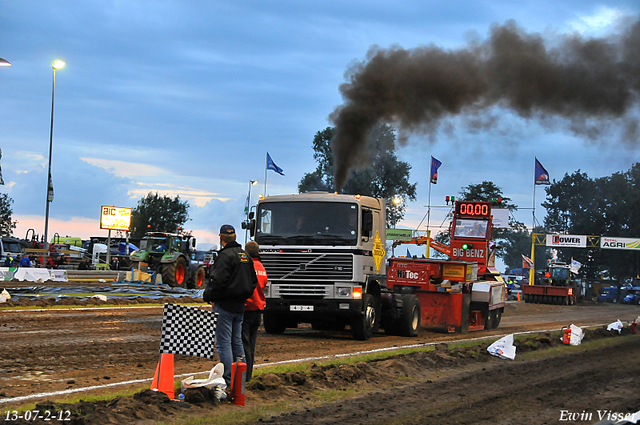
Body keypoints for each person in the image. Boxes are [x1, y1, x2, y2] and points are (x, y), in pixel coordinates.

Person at [203, 224, 257, 389]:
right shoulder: (244, 256)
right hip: (240, 306)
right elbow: (253, 281)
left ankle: (227, 380)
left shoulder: (225, 256)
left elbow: (216, 280)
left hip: (224, 305)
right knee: (237, 341)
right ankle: (239, 378)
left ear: (221, 238)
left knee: (223, 343)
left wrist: (209, 297)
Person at [242, 241, 268, 382]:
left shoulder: (247, 267)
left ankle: (244, 375)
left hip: (246, 309)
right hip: (258, 311)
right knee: (251, 345)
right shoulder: (262, 268)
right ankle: (249, 374)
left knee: (243, 345)